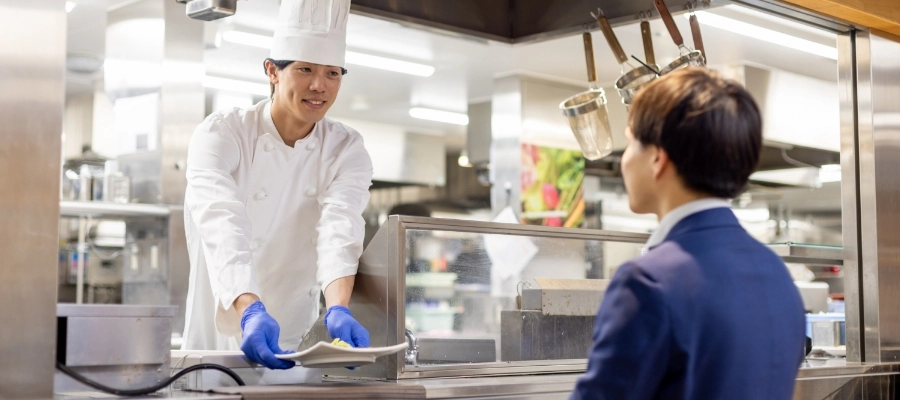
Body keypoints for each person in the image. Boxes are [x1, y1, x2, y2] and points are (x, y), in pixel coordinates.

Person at [570, 68, 806, 400]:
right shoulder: (776, 273)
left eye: (629, 142)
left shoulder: (647, 283)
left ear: (657, 158)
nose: (623, 160)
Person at [181, 0, 372, 380]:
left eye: (332, 73)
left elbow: (340, 229)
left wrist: (337, 308)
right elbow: (223, 224)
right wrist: (250, 308)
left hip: (293, 340)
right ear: (272, 71)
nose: (319, 86)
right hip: (219, 338)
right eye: (305, 69)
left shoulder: (346, 148)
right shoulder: (222, 133)